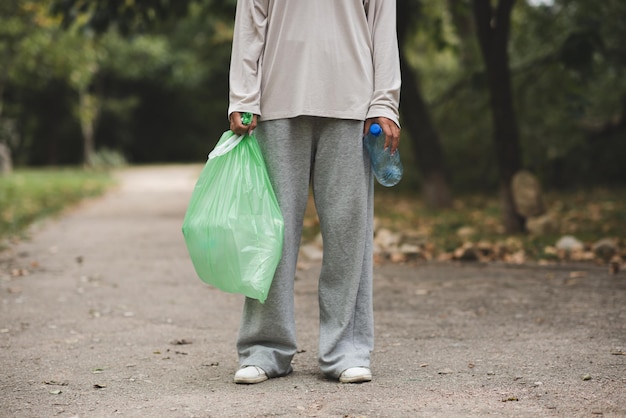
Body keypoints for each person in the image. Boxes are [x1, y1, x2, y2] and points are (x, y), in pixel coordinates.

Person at [227, 0, 401, 384]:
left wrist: (384, 103)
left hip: (353, 105)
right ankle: (264, 348)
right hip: (276, 102)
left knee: (347, 234)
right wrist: (243, 96)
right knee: (273, 234)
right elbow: (250, 21)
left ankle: (347, 349)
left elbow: (382, 26)